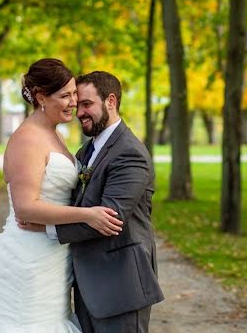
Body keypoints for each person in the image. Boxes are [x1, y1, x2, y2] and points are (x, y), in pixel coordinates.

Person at [0, 58, 122, 333]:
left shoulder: (53, 134)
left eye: (74, 93)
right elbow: (25, 208)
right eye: (65, 96)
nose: (73, 102)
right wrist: (87, 215)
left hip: (53, 254)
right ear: (40, 97)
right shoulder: (27, 139)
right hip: (28, 256)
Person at [21, 71, 164, 333]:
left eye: (87, 104)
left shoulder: (130, 153)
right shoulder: (87, 150)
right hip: (88, 282)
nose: (79, 113)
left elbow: (110, 218)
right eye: (77, 105)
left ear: (111, 101)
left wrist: (45, 228)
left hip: (121, 282)